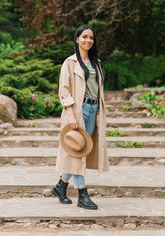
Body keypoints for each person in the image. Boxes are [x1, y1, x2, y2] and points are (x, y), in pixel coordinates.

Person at [52, 24, 109, 210]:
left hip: (93, 110)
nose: (88, 40)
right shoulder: (70, 63)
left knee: (80, 149)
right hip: (78, 110)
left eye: (91, 37)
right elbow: (64, 90)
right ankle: (82, 195)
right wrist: (71, 115)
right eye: (84, 37)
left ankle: (61, 186)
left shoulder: (96, 63)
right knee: (78, 151)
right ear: (77, 39)